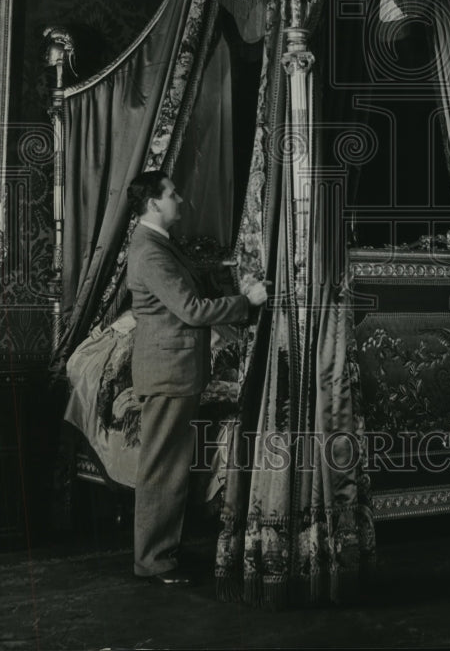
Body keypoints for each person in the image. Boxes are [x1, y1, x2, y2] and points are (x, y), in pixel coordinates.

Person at [125, 169, 268, 587]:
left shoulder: (160, 245)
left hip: (175, 370)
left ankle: (159, 553)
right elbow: (192, 309)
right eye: (173, 194)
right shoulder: (150, 251)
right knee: (162, 469)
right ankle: (152, 559)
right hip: (168, 372)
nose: (181, 200)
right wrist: (246, 302)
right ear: (153, 203)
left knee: (169, 467)